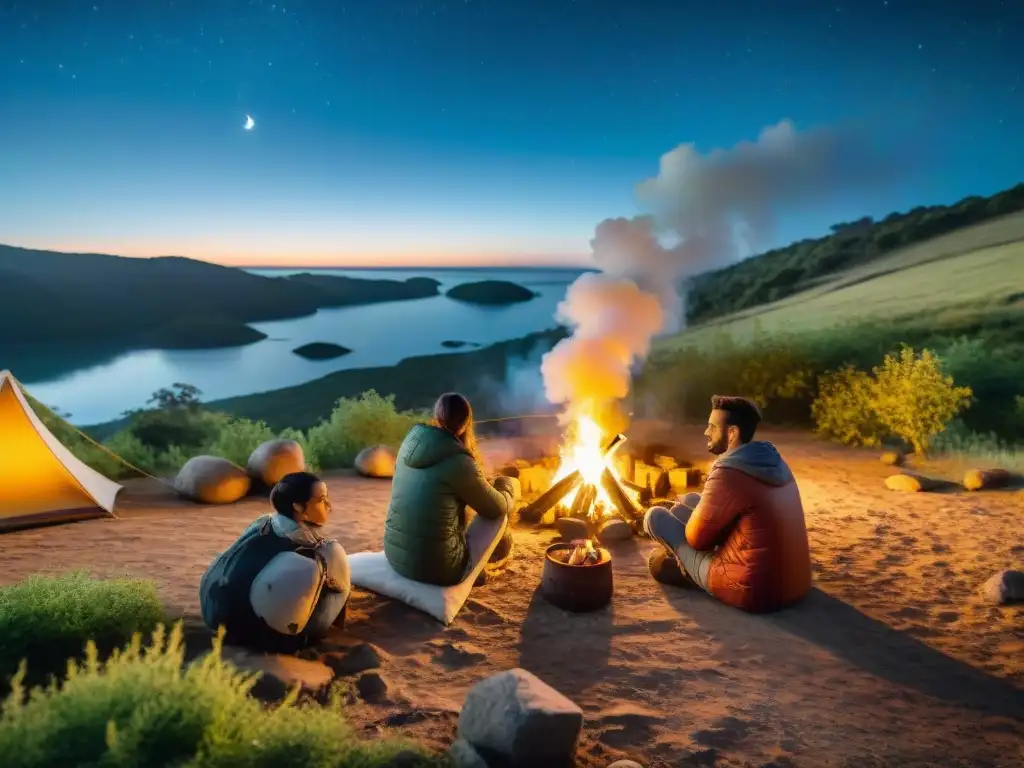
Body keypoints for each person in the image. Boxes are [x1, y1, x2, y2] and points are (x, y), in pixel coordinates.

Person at [644, 395, 812, 613]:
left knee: (655, 518)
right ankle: (686, 562)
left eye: (712, 427)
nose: (706, 432)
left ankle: (688, 570)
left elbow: (698, 540)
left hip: (752, 590)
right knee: (688, 502)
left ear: (732, 433)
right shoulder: (773, 461)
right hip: (795, 583)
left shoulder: (729, 472)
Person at [199, 472, 351, 651]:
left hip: (217, 617)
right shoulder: (317, 547)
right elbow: (341, 585)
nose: (329, 506)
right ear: (298, 507)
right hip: (266, 637)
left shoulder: (263, 522)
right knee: (337, 572)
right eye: (321, 500)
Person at [384, 392, 520, 586]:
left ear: (437, 417)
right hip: (441, 569)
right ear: (466, 423)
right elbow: (496, 508)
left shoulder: (409, 444)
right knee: (499, 513)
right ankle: (480, 565)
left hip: (395, 557)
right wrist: (507, 484)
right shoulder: (460, 461)